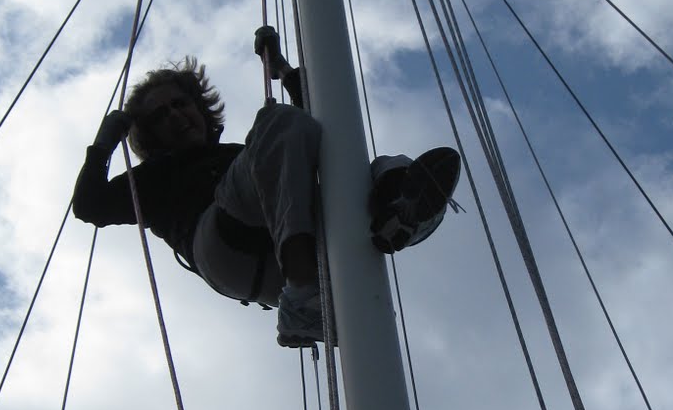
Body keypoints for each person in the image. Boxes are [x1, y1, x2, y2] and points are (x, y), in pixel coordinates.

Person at [72, 30, 461, 348]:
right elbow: (91, 205)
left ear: (198, 107)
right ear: (150, 134)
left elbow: (320, 116)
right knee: (279, 122)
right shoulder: (156, 177)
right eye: (160, 116)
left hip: (282, 242)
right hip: (226, 248)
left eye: (179, 104)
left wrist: (281, 69)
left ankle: (397, 216)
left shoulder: (241, 154)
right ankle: (304, 292)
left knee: (378, 167)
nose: (175, 115)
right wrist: (106, 142)